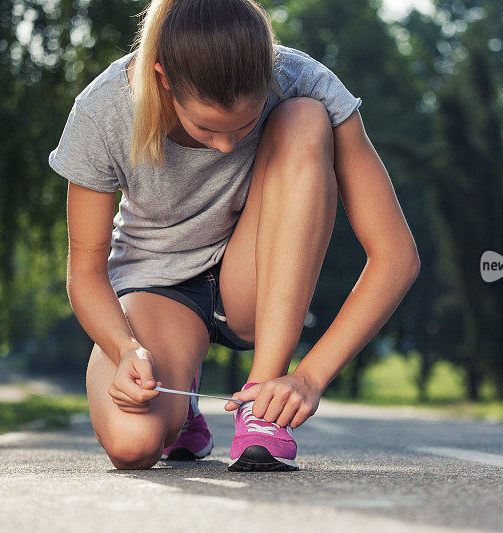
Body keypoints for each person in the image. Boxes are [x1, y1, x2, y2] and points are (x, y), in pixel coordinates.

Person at [48, 0, 419, 472]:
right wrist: (125, 350)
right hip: (159, 288)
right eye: (206, 127)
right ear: (163, 79)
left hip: (257, 284)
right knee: (132, 444)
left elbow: (396, 257)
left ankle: (260, 410)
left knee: (306, 117)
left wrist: (308, 377)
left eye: (244, 126)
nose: (226, 146)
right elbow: (84, 272)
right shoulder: (103, 111)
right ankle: (181, 404)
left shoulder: (303, 80)